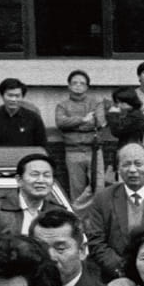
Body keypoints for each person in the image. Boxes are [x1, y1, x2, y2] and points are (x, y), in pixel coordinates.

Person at [81, 141, 144, 280]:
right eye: (126, 164)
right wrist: (123, 270)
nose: (132, 170)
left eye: (138, 164)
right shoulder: (103, 198)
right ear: (118, 169)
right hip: (116, 276)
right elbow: (96, 242)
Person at [55, 69, 104, 199]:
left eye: (82, 83)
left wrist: (72, 125)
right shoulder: (62, 105)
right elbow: (61, 123)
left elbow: (99, 123)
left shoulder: (96, 103)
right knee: (77, 189)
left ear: (87, 86)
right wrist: (83, 120)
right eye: (74, 83)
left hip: (93, 150)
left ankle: (98, 217)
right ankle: (78, 217)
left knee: (98, 187)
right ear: (69, 86)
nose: (78, 86)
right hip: (73, 151)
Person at [0, 151, 61, 238]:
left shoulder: (59, 213)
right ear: (19, 180)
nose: (41, 180)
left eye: (47, 175)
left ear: (53, 181)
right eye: (34, 175)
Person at [0, 76, 49, 148]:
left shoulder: (34, 119)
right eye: (10, 95)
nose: (13, 99)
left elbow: (42, 147)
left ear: (22, 97)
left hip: (25, 158)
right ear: (2, 96)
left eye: (17, 96)